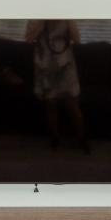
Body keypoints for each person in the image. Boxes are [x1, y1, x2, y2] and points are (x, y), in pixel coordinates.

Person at [25, 20, 89, 152]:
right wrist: (42, 20)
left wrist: (68, 18)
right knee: (51, 104)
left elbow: (77, 40)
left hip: (65, 65)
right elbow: (28, 39)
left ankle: (82, 138)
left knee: (72, 105)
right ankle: (55, 137)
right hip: (45, 66)